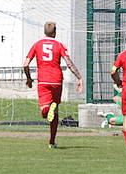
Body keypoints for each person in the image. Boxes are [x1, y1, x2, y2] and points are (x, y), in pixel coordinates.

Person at [23, 21, 83, 149]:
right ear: (55, 32)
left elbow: (25, 64)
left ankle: (46, 110)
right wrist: (79, 77)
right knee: (55, 112)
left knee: (45, 111)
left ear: (44, 31)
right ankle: (51, 141)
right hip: (57, 80)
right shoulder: (59, 45)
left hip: (43, 81)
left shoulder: (37, 44)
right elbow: (68, 62)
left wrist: (29, 78)